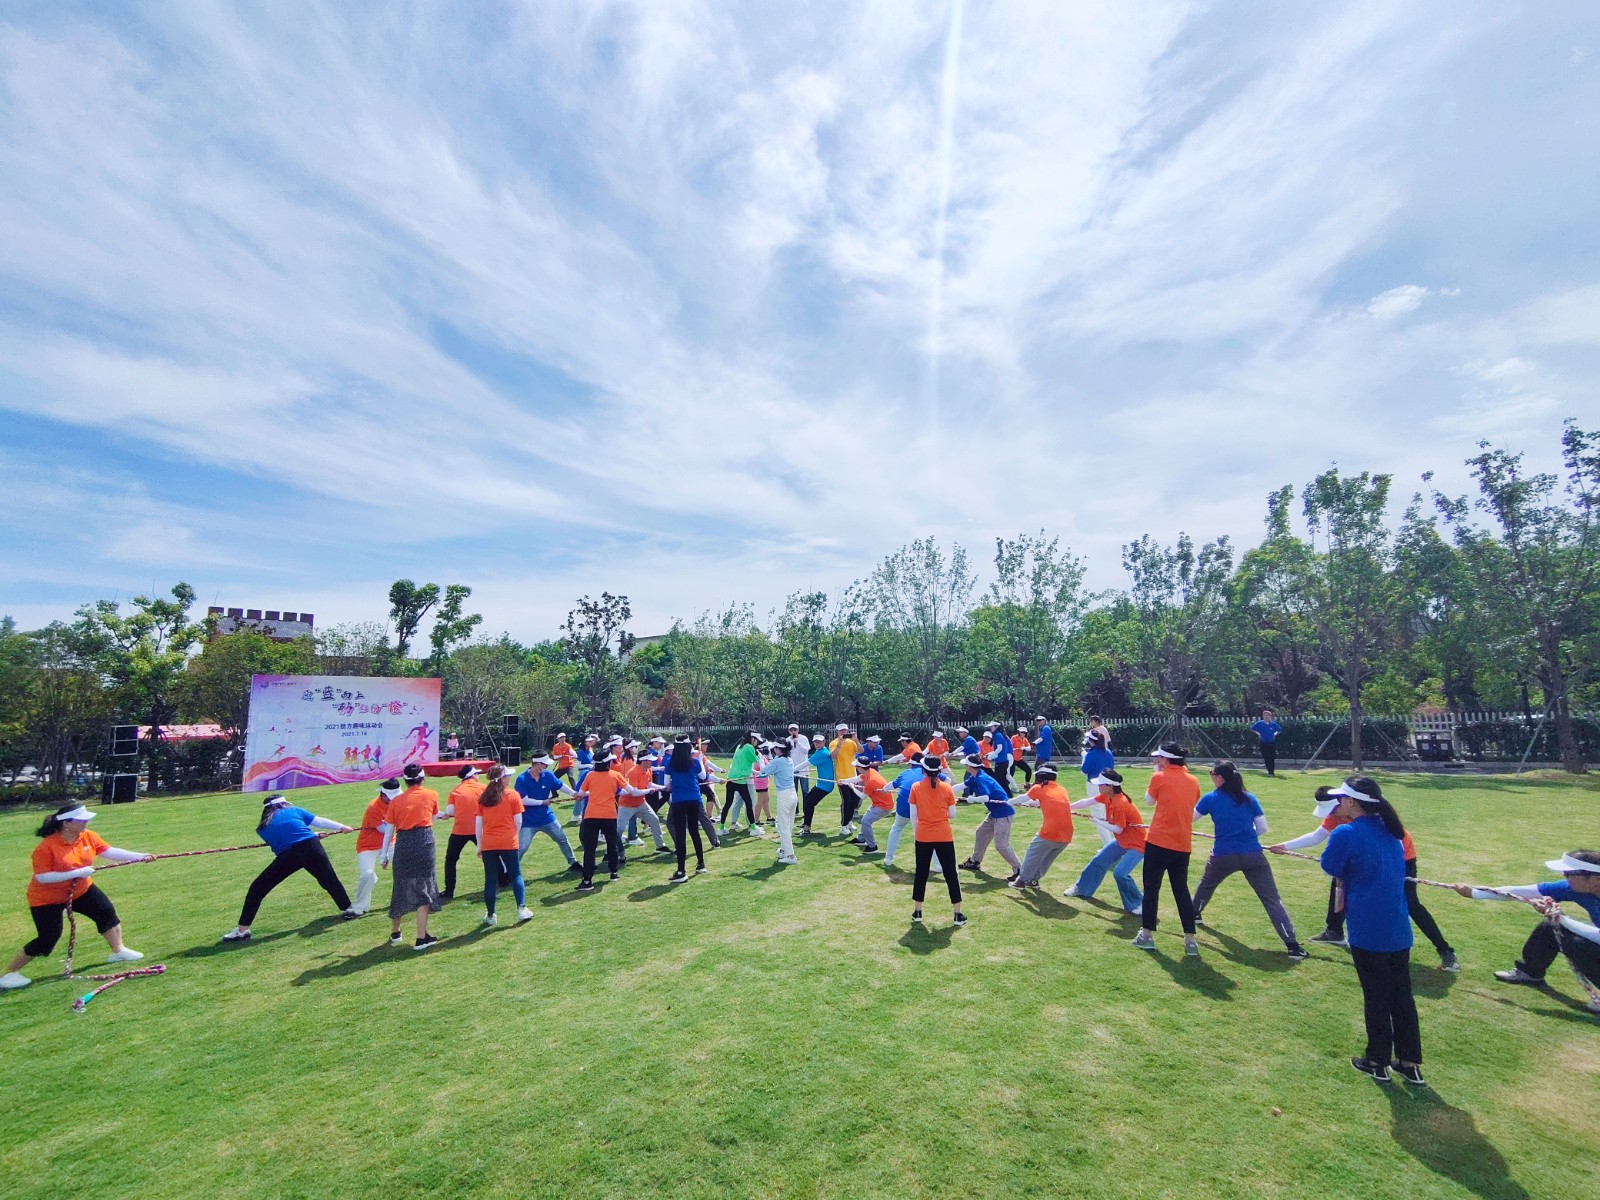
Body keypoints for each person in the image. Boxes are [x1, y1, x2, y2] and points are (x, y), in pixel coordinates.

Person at [1270, 787, 1459, 971]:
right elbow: (1317, 836)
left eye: (1333, 810)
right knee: (1338, 883)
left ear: (1345, 802)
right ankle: (1334, 931)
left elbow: (1392, 842)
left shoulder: (1371, 813)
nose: (1332, 815)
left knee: (1410, 903)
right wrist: (1285, 846)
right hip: (1369, 855)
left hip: (1401, 857)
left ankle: (1445, 950)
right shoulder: (1338, 814)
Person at [1319, 777, 1424, 1085]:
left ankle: (1377, 1061)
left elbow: (1329, 865)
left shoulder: (1347, 832)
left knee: (1376, 995)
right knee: (1401, 995)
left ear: (1352, 802)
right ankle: (1409, 1061)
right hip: (1397, 927)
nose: (1338, 803)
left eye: (1341, 799)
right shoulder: (1392, 830)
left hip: (1368, 928)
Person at [2, 804, 150, 991]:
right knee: (48, 938)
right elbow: (42, 877)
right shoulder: (46, 847)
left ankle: (118, 951)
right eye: (81, 820)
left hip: (81, 890)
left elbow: (108, 851)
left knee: (105, 912)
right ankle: (7, 974)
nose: (86, 822)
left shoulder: (88, 836)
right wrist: (77, 872)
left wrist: (140, 856)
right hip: (47, 899)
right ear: (66, 824)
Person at [1452, 850, 1600, 1014]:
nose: (1565, 877)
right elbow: (1522, 892)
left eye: (1570, 874)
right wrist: (1475, 893)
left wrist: (1561, 919)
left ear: (1595, 879)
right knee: (1549, 927)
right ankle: (1530, 972)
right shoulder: (1574, 888)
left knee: (1576, 944)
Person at [1190, 761, 1307, 960]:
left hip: (1223, 855)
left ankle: (1194, 914)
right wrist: (1247, 836)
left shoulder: (1210, 798)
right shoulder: (1249, 798)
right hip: (1253, 855)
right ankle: (1293, 946)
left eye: (1212, 773)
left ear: (1220, 778)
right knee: (1272, 899)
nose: (1211, 777)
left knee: (1207, 884)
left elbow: (1190, 818)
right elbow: (1262, 828)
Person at [221, 797, 357, 942]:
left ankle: (242, 930)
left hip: (288, 855)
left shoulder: (262, 828)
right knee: (329, 879)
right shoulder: (294, 811)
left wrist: (312, 835)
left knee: (257, 888)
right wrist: (341, 827)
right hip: (310, 847)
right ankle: (348, 909)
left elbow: (286, 838)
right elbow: (318, 822)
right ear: (282, 804)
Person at [1136, 743, 1200, 955]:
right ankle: (1190, 940)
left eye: (1160, 758)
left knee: (1151, 889)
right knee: (1181, 890)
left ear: (1165, 759)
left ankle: (1146, 935)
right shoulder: (1193, 780)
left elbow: (1148, 801)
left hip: (1158, 841)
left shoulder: (1159, 777)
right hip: (1182, 844)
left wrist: (1157, 773)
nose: (1157, 761)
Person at [1064, 770, 1145, 913]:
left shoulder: (1120, 803)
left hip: (1137, 844)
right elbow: (1087, 802)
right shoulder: (1107, 796)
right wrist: (1066, 807)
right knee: (1098, 861)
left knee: (1120, 873)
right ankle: (1082, 888)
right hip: (1122, 841)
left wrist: (1097, 821)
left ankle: (1138, 904)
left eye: (1101, 784)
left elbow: (1118, 829)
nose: (1098, 786)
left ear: (1110, 786)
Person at [383, 763, 443, 949]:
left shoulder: (396, 802)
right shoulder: (431, 794)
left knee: (401, 885)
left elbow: (389, 830)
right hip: (424, 842)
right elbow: (432, 819)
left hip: (403, 843)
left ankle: (396, 931)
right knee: (424, 885)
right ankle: (421, 937)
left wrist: (384, 854)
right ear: (422, 778)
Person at [575, 754, 650, 891]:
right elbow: (631, 791)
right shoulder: (615, 775)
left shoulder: (590, 775)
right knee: (611, 844)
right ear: (607, 763)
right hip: (609, 815)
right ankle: (614, 873)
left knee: (590, 849)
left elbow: (581, 793)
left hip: (591, 815)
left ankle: (587, 880)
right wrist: (647, 790)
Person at [909, 758, 967, 927]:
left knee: (921, 874)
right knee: (951, 874)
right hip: (943, 835)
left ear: (924, 770)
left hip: (923, 835)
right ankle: (957, 914)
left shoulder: (916, 787)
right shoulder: (947, 788)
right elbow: (952, 814)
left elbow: (914, 815)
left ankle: (918, 911)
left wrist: (917, 832)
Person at [475, 765, 532, 926]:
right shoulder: (513, 795)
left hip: (489, 843)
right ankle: (521, 908)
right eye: (508, 775)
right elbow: (518, 821)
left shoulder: (484, 797)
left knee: (490, 880)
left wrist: (479, 845)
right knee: (516, 875)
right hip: (508, 841)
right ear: (503, 778)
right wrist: (513, 835)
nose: (510, 778)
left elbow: (478, 824)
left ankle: (491, 915)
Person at [957, 755, 1022, 880]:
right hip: (994, 813)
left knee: (1001, 845)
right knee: (981, 833)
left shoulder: (982, 778)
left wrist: (972, 799)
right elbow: (960, 786)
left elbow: (985, 798)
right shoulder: (975, 776)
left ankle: (1020, 870)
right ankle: (975, 862)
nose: (965, 766)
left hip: (1003, 814)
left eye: (966, 764)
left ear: (969, 767)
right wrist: (946, 791)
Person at [1009, 766, 1074, 890]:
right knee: (1047, 859)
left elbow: (1023, 798)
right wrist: (1023, 803)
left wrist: (1009, 802)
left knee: (1032, 854)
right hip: (1067, 834)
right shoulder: (1061, 789)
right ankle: (1033, 880)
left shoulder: (1039, 788)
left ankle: (1021, 881)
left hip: (1050, 832)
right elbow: (1044, 801)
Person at [513, 758, 580, 873]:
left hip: (547, 818)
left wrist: (574, 793)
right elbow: (523, 800)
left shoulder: (548, 775)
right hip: (528, 821)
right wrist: (542, 802)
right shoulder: (522, 779)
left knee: (562, 839)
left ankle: (573, 862)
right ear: (537, 764)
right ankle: (509, 871)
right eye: (545, 764)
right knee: (522, 847)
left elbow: (560, 785)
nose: (547, 767)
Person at [664, 737, 711, 881]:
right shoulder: (694, 762)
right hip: (694, 799)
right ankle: (701, 863)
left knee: (680, 835)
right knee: (694, 831)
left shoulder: (670, 762)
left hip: (678, 801)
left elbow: (666, 784)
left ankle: (681, 871)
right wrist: (700, 760)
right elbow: (703, 776)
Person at [351, 779, 399, 915]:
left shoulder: (397, 802)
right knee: (367, 874)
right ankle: (360, 906)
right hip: (368, 846)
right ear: (383, 795)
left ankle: (410, 898)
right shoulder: (373, 807)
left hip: (390, 842)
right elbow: (384, 830)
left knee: (404, 866)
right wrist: (384, 856)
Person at [440, 765, 486, 901]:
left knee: (451, 860)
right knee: (490, 856)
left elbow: (450, 811)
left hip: (460, 830)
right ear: (472, 776)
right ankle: (502, 880)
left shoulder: (456, 790)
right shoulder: (483, 788)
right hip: (479, 829)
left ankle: (449, 891)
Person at [834, 757, 893, 853]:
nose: (856, 767)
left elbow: (863, 796)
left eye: (857, 766)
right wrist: (844, 781)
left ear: (860, 767)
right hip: (878, 803)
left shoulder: (871, 780)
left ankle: (872, 847)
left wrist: (852, 788)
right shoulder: (869, 772)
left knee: (865, 821)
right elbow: (857, 778)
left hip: (884, 806)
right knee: (865, 818)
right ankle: (861, 839)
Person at [617, 749, 670, 856]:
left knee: (654, 820)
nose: (652, 762)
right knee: (619, 829)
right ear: (643, 761)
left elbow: (649, 784)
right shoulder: (633, 772)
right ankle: (609, 852)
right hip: (627, 805)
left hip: (641, 803)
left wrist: (663, 787)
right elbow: (634, 792)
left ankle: (660, 846)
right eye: (650, 760)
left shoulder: (648, 770)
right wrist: (648, 791)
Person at [757, 742, 800, 864]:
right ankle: (784, 850)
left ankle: (790, 856)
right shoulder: (788, 759)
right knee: (788, 825)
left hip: (784, 796)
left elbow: (764, 771)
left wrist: (761, 758)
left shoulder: (778, 761)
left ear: (778, 749)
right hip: (793, 794)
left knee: (783, 826)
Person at [722, 732, 762, 836]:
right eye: (756, 740)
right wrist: (759, 754)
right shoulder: (749, 747)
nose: (757, 742)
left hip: (731, 779)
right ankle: (753, 827)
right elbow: (757, 760)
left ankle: (721, 828)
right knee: (749, 803)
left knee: (728, 803)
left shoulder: (740, 746)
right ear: (753, 739)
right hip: (740, 780)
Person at [830, 723, 863, 836]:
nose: (843, 732)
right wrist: (839, 744)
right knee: (847, 801)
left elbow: (861, 751)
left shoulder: (851, 742)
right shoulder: (834, 743)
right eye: (841, 731)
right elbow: (833, 756)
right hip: (842, 777)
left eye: (845, 730)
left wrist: (856, 740)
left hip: (853, 776)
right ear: (837, 732)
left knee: (854, 801)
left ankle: (849, 821)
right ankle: (843, 825)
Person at [801, 733, 835, 835]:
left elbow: (806, 763)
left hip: (825, 785)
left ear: (824, 742)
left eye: (819, 742)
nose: (817, 744)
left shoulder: (822, 753)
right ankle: (806, 824)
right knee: (808, 801)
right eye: (816, 742)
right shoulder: (820, 751)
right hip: (821, 784)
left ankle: (806, 828)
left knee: (809, 803)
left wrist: (792, 770)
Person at [983, 721, 1015, 797]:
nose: (991, 728)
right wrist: (990, 754)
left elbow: (999, 748)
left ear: (996, 726)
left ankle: (1000, 795)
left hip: (1001, 761)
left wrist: (991, 755)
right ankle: (1009, 795)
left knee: (998, 780)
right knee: (1002, 780)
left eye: (992, 726)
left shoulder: (997, 735)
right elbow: (999, 749)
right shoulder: (999, 734)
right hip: (1003, 761)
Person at [1080, 716, 1113, 784]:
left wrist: (1084, 756)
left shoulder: (1091, 754)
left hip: (1094, 782)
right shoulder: (1109, 752)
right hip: (1107, 782)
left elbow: (1084, 771)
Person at [1250, 709, 1283, 777]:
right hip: (1263, 743)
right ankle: (1269, 771)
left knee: (1272, 757)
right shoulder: (1260, 723)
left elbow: (1279, 730)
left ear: (1270, 716)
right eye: (1265, 715)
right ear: (1263, 716)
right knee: (1266, 757)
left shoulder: (1273, 724)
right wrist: (1258, 734)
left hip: (1272, 743)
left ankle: (1272, 771)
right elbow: (1252, 729)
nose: (1266, 716)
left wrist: (1275, 734)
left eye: (1267, 715)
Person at [786, 724, 810, 807]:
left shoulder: (803, 738)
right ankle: (795, 810)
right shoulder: (787, 740)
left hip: (803, 768)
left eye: (795, 729)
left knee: (805, 791)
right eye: (791, 730)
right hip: (793, 768)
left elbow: (806, 751)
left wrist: (798, 743)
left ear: (798, 730)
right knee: (794, 791)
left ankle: (806, 809)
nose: (793, 731)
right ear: (789, 731)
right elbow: (787, 753)